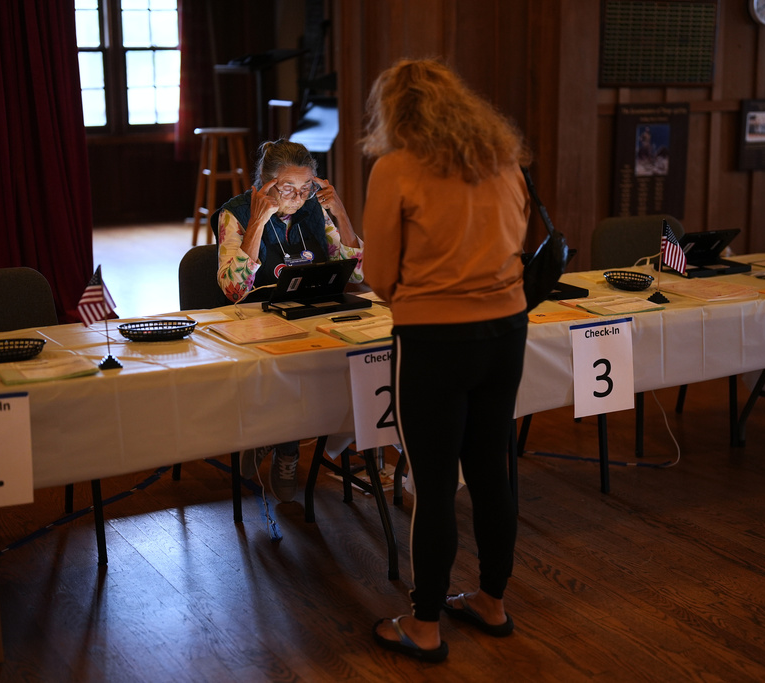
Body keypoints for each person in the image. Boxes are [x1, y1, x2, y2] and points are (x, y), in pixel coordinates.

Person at [361, 58, 532, 662]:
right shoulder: (502, 161)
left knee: (432, 485)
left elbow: (379, 275)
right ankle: (492, 601)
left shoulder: (396, 169)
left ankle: (426, 623)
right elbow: (519, 239)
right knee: (492, 468)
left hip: (434, 341)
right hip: (508, 331)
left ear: (394, 112)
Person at [213, 139, 364, 502]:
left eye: (306, 187)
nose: (298, 197)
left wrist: (340, 212)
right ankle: (285, 447)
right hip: (256, 316)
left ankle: (273, 437)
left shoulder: (314, 207)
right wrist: (260, 220)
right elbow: (234, 289)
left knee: (341, 356)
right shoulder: (235, 214)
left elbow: (357, 274)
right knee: (290, 362)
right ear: (265, 186)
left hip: (307, 310)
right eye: (287, 189)